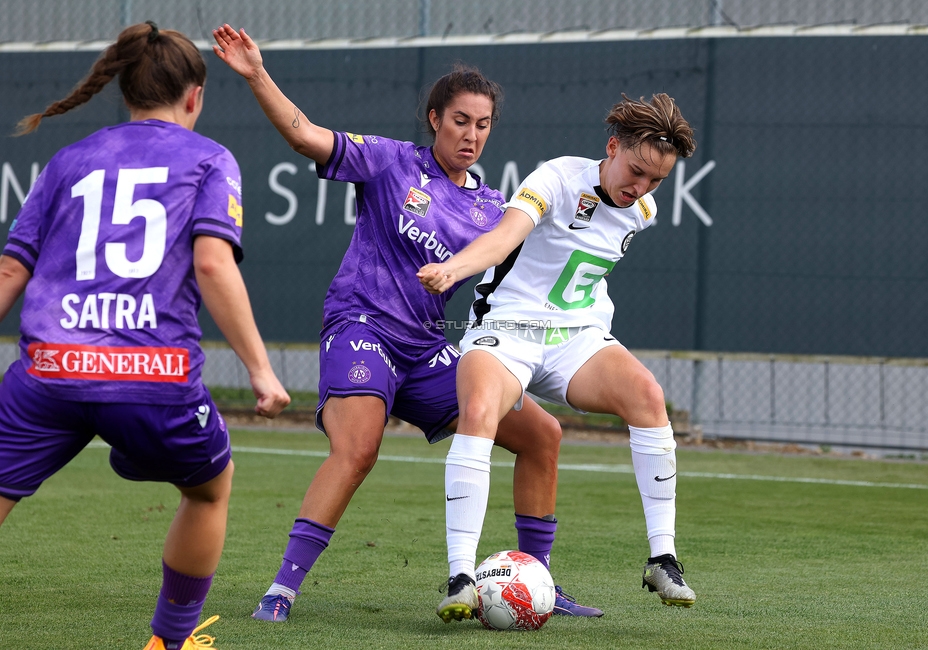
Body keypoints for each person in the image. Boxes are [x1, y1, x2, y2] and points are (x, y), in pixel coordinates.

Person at [211, 25, 602, 623]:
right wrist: (257, 73)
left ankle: (538, 581)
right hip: (361, 326)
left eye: (483, 124)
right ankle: (281, 590)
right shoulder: (391, 161)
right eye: (460, 121)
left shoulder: (494, 208)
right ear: (435, 118)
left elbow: (543, 251)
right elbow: (306, 137)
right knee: (359, 449)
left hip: (425, 348)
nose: (471, 134)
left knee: (542, 435)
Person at [0, 22, 291, 650]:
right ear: (194, 96)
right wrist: (262, 372)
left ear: (124, 88)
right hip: (150, 379)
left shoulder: (68, 160)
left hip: (49, 369)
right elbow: (213, 264)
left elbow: (11, 270)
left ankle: (126, 447)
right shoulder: (210, 158)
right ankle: (170, 640)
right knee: (209, 490)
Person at [418, 93, 699, 612]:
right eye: (635, 171)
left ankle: (663, 559)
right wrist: (453, 270)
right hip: (505, 331)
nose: (640, 187)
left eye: (655, 180)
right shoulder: (556, 179)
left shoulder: (643, 210)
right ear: (612, 147)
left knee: (647, 394)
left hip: (577, 338)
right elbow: (504, 240)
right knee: (478, 413)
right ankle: (460, 576)